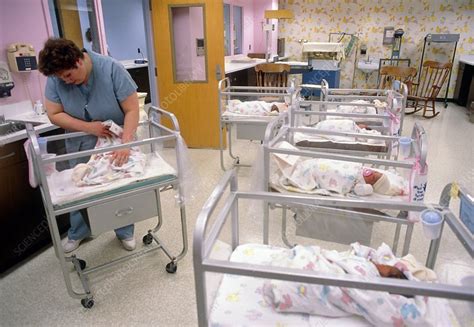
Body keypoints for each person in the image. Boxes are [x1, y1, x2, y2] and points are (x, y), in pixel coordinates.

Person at [38, 38, 139, 252]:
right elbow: (54, 114)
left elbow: (132, 109)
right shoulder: (57, 78)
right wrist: (88, 127)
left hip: (114, 140)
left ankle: (124, 230)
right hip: (79, 140)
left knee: (116, 186)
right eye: (60, 78)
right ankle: (79, 231)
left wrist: (125, 143)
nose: (65, 81)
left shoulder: (111, 69)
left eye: (67, 75)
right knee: (80, 186)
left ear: (78, 61)